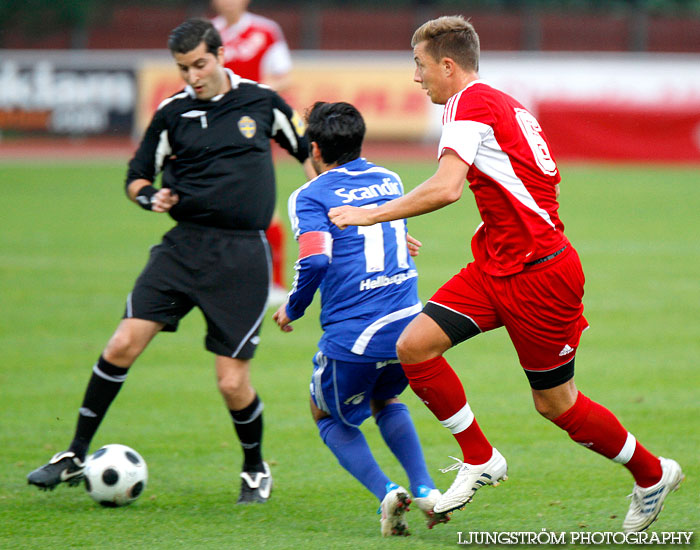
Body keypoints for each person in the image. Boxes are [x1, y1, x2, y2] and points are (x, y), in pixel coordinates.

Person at [328, 15, 683, 533]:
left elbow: (447, 187)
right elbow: (519, 182)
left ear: (447, 65)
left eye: (419, 65)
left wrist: (371, 214)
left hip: (541, 277)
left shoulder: (468, 103)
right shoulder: (499, 100)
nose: (415, 77)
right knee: (414, 346)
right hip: (497, 265)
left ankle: (652, 474)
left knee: (556, 404)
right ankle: (480, 457)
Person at [27, 18, 316, 505]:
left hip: (242, 256)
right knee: (122, 344)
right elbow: (136, 177)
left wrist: (334, 207)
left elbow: (308, 153)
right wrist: (149, 198)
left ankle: (253, 467)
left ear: (221, 56)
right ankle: (75, 454)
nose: (193, 76)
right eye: (183, 68)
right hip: (182, 249)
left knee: (231, 381)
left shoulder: (262, 103)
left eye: (200, 64)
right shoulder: (171, 113)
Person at [272, 101, 448, 537]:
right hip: (409, 326)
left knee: (326, 414)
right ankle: (424, 486)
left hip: (357, 334)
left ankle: (387, 491)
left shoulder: (308, 196)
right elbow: (381, 223)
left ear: (314, 148)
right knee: (386, 400)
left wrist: (291, 307)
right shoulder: (389, 177)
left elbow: (314, 261)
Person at [212, 0, 293, 304]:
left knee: (262, 204)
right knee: (221, 202)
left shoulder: (265, 31)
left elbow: (285, 75)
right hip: (216, 130)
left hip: (251, 130)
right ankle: (227, 279)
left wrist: (254, 93)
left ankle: (275, 283)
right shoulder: (209, 33)